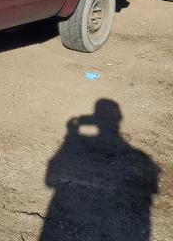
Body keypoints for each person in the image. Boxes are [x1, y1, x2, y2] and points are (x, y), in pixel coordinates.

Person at [40, 99, 159, 241]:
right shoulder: (142, 159)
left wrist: (72, 133)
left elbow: (50, 179)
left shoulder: (141, 159)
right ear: (119, 119)